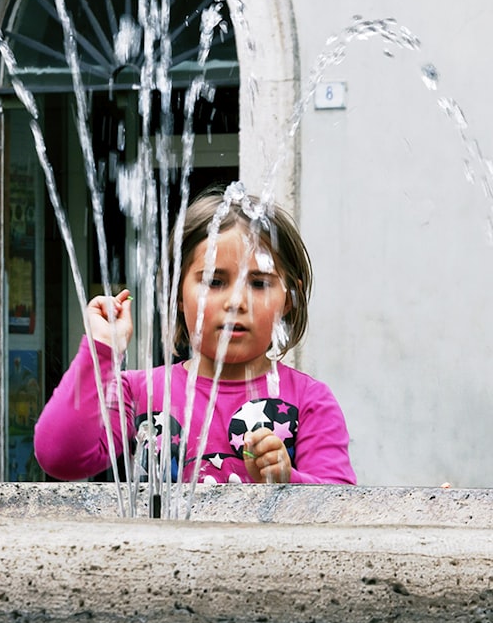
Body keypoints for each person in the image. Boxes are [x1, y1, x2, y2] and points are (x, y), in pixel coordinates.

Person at [34, 185, 355, 485]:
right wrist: (101, 350)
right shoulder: (138, 393)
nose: (236, 302)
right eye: (215, 282)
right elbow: (59, 456)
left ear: (290, 297)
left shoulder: (310, 401)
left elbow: (339, 506)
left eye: (259, 283)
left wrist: (288, 481)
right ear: (176, 292)